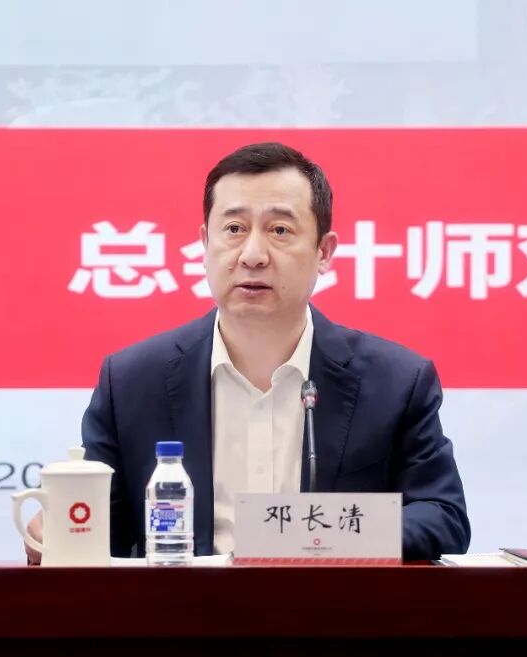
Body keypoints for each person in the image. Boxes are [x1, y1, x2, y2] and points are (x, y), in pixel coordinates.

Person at [27, 142, 470, 562]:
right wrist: (61, 530)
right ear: (205, 243)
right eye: (234, 229)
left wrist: (308, 537)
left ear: (324, 252)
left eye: (280, 230)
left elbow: (442, 515)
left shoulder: (395, 381)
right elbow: (101, 527)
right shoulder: (132, 381)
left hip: (331, 612)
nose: (253, 255)